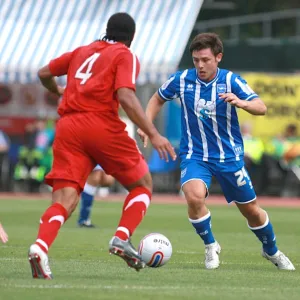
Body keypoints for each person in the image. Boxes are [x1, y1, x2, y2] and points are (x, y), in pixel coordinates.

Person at [28, 12, 176, 279]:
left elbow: (43, 73)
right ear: (131, 37)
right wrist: (153, 133)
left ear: (107, 30)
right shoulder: (124, 54)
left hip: (68, 127)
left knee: (64, 200)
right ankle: (121, 237)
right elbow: (126, 95)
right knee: (142, 185)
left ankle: (40, 247)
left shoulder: (81, 51)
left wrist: (57, 90)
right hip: (100, 125)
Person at [138, 33, 295, 271]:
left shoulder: (231, 81)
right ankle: (211, 245)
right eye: (196, 60)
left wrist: (242, 103)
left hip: (229, 158)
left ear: (218, 57)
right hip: (195, 155)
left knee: (251, 211)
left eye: (205, 59)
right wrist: (146, 125)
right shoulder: (181, 80)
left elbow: (261, 107)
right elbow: (157, 99)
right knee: (193, 196)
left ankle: (271, 250)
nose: (200, 65)